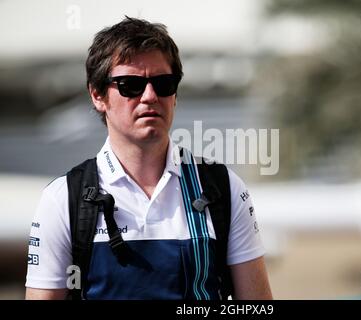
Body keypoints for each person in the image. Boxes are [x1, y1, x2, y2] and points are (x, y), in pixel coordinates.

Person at [25, 17, 272, 300]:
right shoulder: (63, 198)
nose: (150, 96)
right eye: (131, 85)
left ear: (175, 93)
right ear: (97, 95)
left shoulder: (224, 187)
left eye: (164, 83)